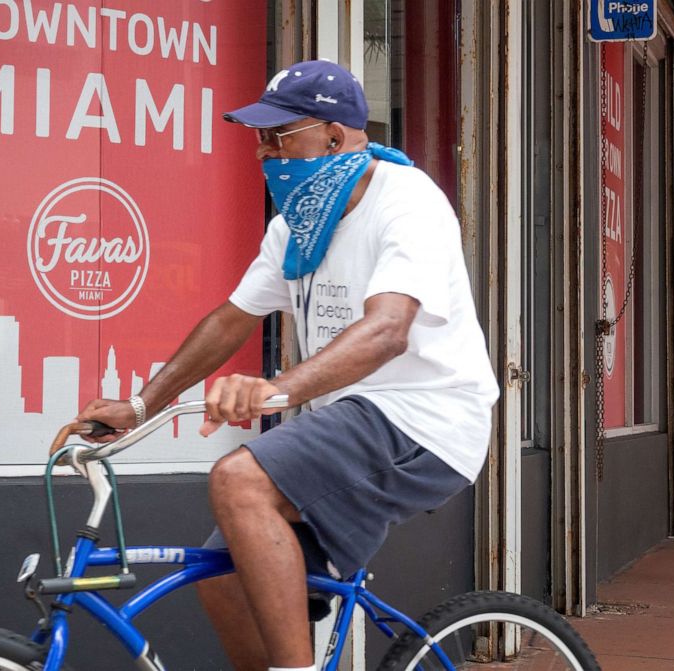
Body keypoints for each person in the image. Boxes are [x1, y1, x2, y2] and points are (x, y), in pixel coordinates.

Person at [77, 60, 499, 671]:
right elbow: (231, 319)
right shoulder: (297, 226)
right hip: (356, 420)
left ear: (334, 137)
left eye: (280, 136)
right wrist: (143, 404)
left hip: (423, 419)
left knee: (238, 478)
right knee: (223, 576)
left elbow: (386, 331)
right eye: (259, 137)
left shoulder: (408, 204)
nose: (263, 153)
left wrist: (274, 390)